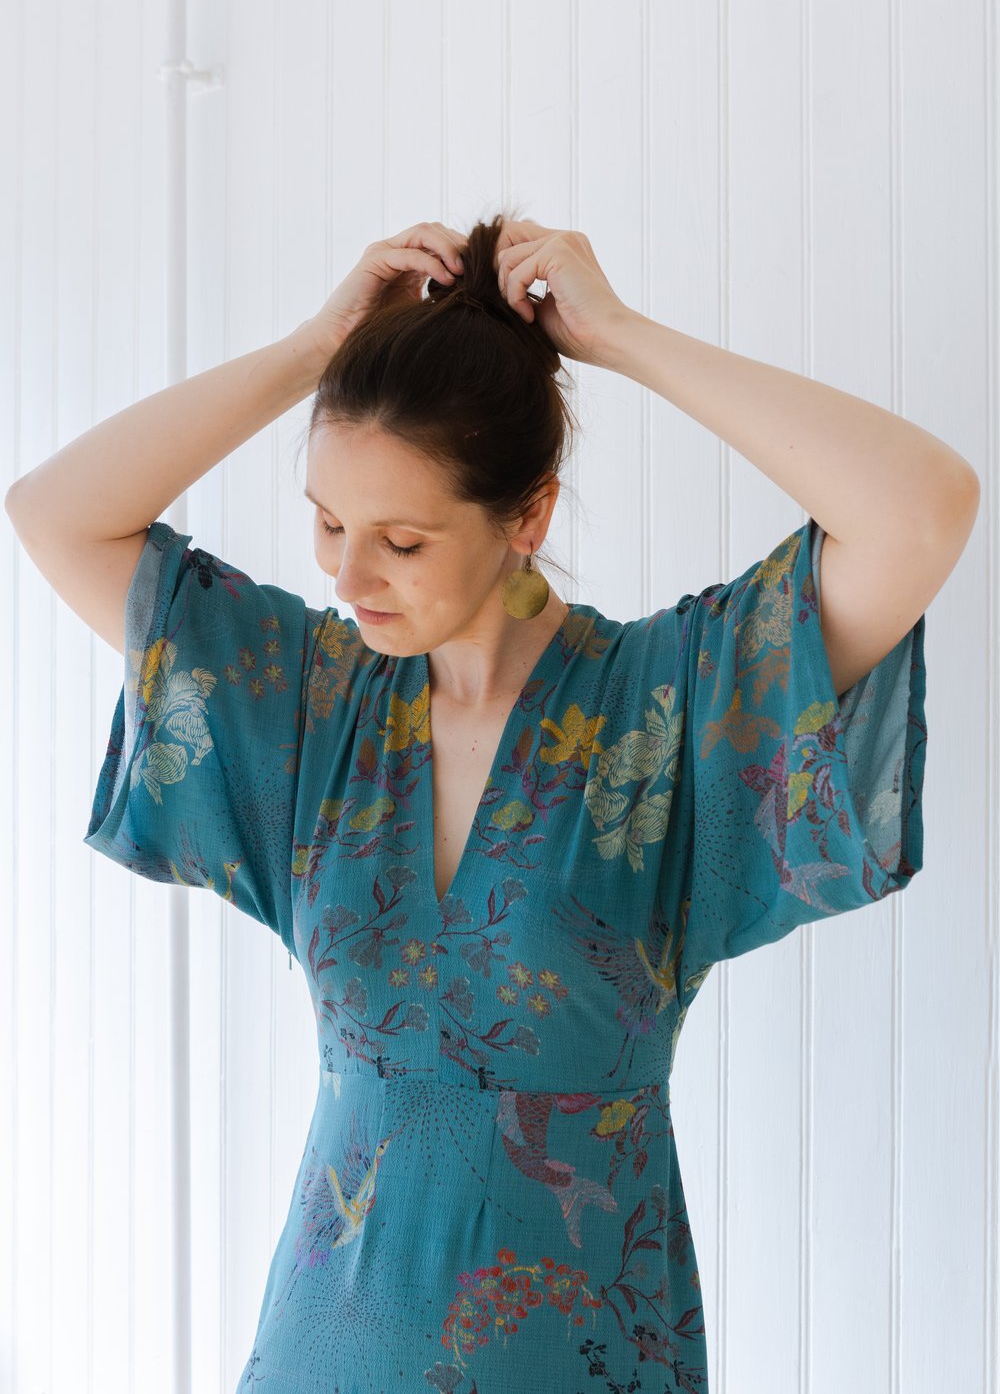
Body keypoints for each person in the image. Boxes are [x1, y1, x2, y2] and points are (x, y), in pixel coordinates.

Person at [5, 212, 978, 1392]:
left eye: (401, 542)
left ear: (528, 517)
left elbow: (921, 506)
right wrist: (314, 350)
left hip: (580, 1358)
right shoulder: (308, 705)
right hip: (324, 1356)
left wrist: (618, 336)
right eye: (327, 522)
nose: (345, 575)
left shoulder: (669, 707)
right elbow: (56, 512)